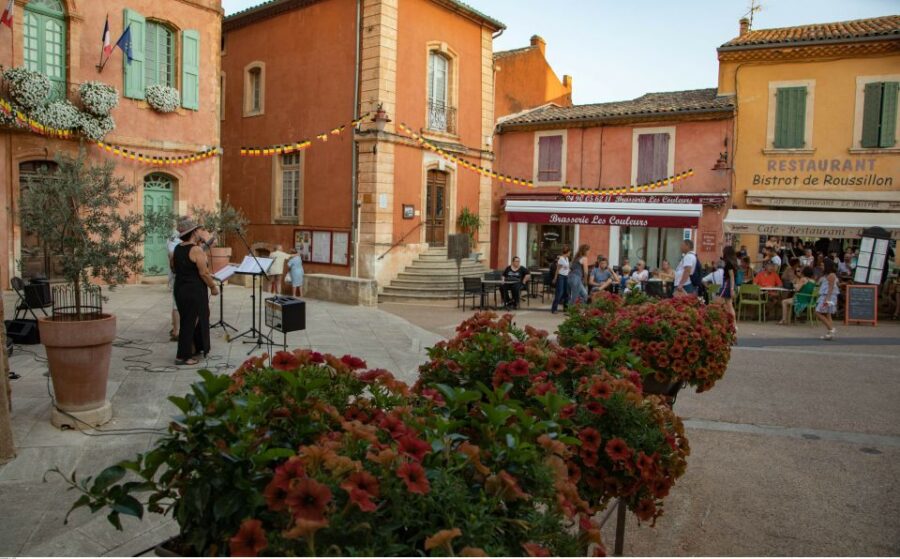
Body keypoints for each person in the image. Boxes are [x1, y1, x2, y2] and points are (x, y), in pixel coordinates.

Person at [173, 218, 219, 366]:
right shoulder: (196, 249)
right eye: (198, 229)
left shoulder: (178, 248)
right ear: (193, 232)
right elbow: (204, 273)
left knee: (188, 319)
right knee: (190, 322)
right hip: (193, 290)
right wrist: (213, 287)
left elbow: (174, 267)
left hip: (180, 288)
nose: (200, 232)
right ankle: (183, 356)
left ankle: (194, 348)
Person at [815, 258, 839, 340]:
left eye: (823, 265)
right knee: (828, 314)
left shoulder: (831, 275)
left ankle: (831, 329)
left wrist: (827, 299)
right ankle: (830, 333)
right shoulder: (826, 275)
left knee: (818, 312)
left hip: (828, 296)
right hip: (826, 295)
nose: (821, 266)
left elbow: (831, 288)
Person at [166, 228, 181, 342]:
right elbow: (172, 255)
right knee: (176, 304)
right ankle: (176, 331)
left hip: (178, 275)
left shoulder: (176, 237)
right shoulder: (174, 237)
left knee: (176, 303)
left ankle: (175, 328)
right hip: (178, 275)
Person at [718, 245, 738, 322]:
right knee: (729, 305)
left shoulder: (729, 264)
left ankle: (732, 323)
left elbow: (731, 276)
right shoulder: (733, 262)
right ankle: (732, 323)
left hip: (727, 283)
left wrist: (731, 289)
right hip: (729, 283)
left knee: (724, 303)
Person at [550, 246, 571, 314]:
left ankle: (565, 308)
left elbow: (567, 268)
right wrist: (555, 278)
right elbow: (557, 269)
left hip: (566, 276)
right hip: (561, 277)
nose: (570, 253)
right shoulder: (561, 259)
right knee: (559, 292)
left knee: (566, 293)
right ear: (567, 252)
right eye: (569, 252)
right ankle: (554, 308)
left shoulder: (567, 258)